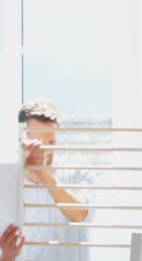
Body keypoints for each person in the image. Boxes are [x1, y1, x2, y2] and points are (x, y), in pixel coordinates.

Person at [19, 100, 95, 261]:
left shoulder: (77, 172)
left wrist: (43, 173)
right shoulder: (8, 183)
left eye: (51, 141)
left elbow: (81, 215)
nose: (45, 149)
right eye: (37, 143)